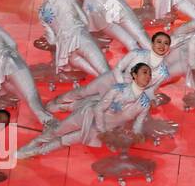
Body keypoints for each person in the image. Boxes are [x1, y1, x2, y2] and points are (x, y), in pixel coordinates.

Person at [17, 63, 157, 160]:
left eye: (149, 74)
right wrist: (104, 131)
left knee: (66, 140)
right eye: (144, 72)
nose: (147, 76)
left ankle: (33, 152)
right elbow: (99, 108)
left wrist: (136, 135)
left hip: (101, 130)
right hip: (88, 115)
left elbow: (138, 124)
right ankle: (33, 143)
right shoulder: (118, 89)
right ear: (134, 74)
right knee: (58, 130)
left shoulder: (144, 102)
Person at [33, 0, 109, 78]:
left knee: (100, 76)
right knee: (105, 71)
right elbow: (84, 19)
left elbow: (51, 40)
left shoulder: (42, 12)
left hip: (68, 51)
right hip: (81, 38)